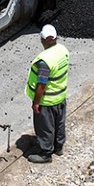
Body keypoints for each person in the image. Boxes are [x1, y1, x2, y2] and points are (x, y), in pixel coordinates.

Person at [25, 23, 70, 163]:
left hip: (47, 101)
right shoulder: (63, 50)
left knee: (45, 127)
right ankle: (58, 147)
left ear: (42, 40)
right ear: (56, 38)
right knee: (59, 123)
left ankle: (45, 154)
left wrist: (36, 102)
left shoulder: (45, 61)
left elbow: (41, 84)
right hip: (60, 96)